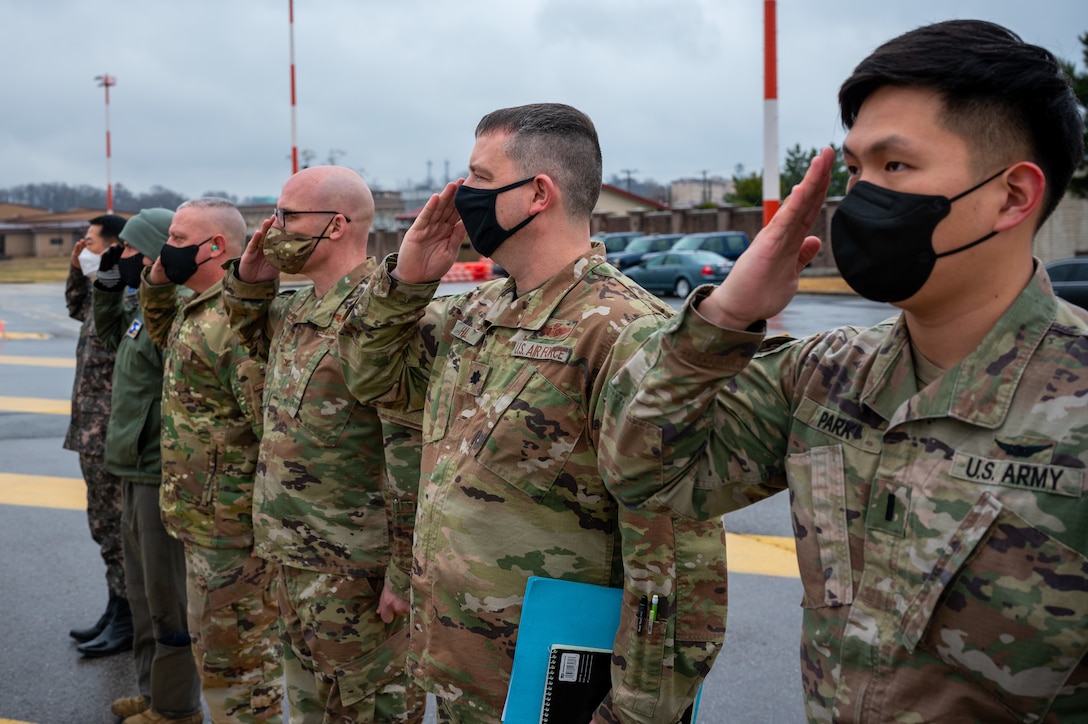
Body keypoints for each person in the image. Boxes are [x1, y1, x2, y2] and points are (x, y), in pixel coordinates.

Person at [597, 19, 1087, 723]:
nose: (858, 198)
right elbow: (646, 474)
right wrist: (727, 316)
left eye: (895, 167)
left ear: (1012, 196)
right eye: (855, 169)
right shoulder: (826, 374)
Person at [336, 102, 729, 723]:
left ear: (537, 193)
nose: (461, 195)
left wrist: (633, 714)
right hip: (464, 673)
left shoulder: (627, 333)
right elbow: (370, 377)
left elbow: (678, 571)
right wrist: (408, 281)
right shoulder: (478, 310)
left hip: (554, 693)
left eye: (480, 179)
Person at [222, 165, 423, 723]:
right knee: (309, 703)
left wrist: (404, 575)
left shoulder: (382, 320)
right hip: (295, 555)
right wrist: (250, 277)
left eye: (287, 216)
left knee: (369, 708)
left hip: (357, 571)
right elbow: (244, 329)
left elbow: (411, 454)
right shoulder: (296, 309)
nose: (272, 228)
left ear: (335, 226)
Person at [139, 197, 284, 723]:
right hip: (204, 520)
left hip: (233, 530)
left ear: (215, 246)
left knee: (240, 670)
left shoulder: (233, 322)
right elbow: (162, 335)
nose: (167, 248)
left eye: (178, 239)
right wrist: (156, 282)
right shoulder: (197, 309)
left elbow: (271, 428)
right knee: (218, 659)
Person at [94, 208, 203, 724]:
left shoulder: (176, 309)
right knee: (142, 597)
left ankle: (177, 707)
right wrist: (107, 288)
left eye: (135, 250)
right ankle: (152, 692)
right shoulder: (143, 308)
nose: (126, 256)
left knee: (167, 599)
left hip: (160, 470)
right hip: (135, 468)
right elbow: (114, 341)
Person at [64, 213, 133, 658]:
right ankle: (115, 608)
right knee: (103, 527)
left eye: (89, 242)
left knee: (119, 530)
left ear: (112, 246)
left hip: (112, 432)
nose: (83, 247)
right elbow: (77, 307)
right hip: (90, 430)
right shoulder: (102, 293)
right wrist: (77, 269)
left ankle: (127, 618)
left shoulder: (129, 298)